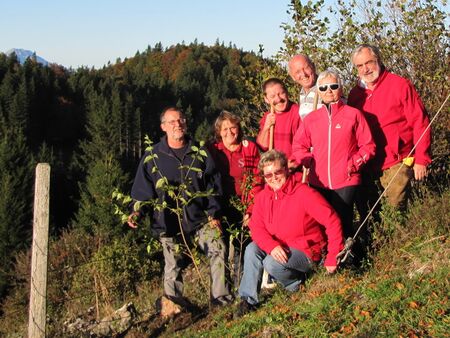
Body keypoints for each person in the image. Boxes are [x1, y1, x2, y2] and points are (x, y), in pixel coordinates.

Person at [128, 107, 233, 308]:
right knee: (172, 265)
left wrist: (213, 214)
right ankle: (175, 309)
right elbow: (143, 190)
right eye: (172, 122)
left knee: (217, 247)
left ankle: (221, 301)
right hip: (168, 224)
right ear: (163, 127)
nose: (178, 124)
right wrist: (137, 212)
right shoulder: (153, 156)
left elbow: (213, 185)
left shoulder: (199, 152)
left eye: (181, 120)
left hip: (200, 220)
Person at [236, 150, 343, 316]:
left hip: (307, 250)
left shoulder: (304, 193)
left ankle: (294, 285)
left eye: (277, 172)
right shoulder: (263, 197)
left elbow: (332, 220)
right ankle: (248, 299)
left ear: (286, 169)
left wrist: (333, 255)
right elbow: (256, 228)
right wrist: (271, 246)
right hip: (280, 246)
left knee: (271, 263)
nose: (274, 178)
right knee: (251, 249)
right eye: (268, 175)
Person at [292, 69, 375, 248]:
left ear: (341, 88)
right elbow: (298, 146)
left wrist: (353, 163)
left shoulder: (353, 115)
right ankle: (328, 259)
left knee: (343, 219)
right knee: (322, 222)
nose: (329, 91)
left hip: (346, 179)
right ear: (319, 91)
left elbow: (368, 145)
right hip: (318, 180)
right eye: (324, 87)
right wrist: (308, 160)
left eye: (334, 86)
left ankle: (350, 258)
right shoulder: (311, 119)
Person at [347, 44, 431, 216]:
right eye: (360, 66)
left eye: (369, 62)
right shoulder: (355, 95)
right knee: (372, 214)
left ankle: (402, 242)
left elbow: (420, 122)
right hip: (368, 165)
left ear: (378, 60)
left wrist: (422, 158)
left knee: (395, 212)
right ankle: (382, 242)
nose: (365, 69)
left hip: (397, 161)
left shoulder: (399, 85)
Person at [207, 111, 263, 286]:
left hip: (244, 205)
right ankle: (223, 289)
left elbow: (257, 180)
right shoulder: (213, 150)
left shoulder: (249, 148)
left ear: (239, 128)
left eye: (233, 127)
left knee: (243, 245)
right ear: (218, 131)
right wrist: (211, 212)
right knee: (219, 246)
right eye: (225, 128)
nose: (229, 132)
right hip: (220, 206)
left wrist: (251, 210)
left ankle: (242, 285)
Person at [256, 77, 301, 159]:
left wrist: (287, 167)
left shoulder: (298, 113)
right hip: (275, 168)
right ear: (266, 99)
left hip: (293, 168)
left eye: (281, 93)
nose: (278, 99)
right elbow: (263, 147)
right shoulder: (268, 116)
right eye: (272, 96)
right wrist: (266, 127)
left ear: (287, 93)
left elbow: (303, 148)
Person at [288, 54, 323, 120]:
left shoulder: (325, 88)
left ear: (313, 67)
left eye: (306, 68)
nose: (304, 74)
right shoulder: (302, 93)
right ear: (293, 77)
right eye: (298, 72)